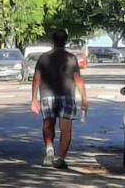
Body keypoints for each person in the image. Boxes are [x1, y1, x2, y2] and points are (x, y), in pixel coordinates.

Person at [30, 29, 89, 169]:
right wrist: (84, 98)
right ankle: (60, 158)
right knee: (66, 129)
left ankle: (49, 150)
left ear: (53, 40)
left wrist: (34, 98)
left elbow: (37, 78)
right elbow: (78, 79)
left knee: (48, 124)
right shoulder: (71, 59)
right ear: (66, 41)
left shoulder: (44, 58)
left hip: (47, 96)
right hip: (67, 97)